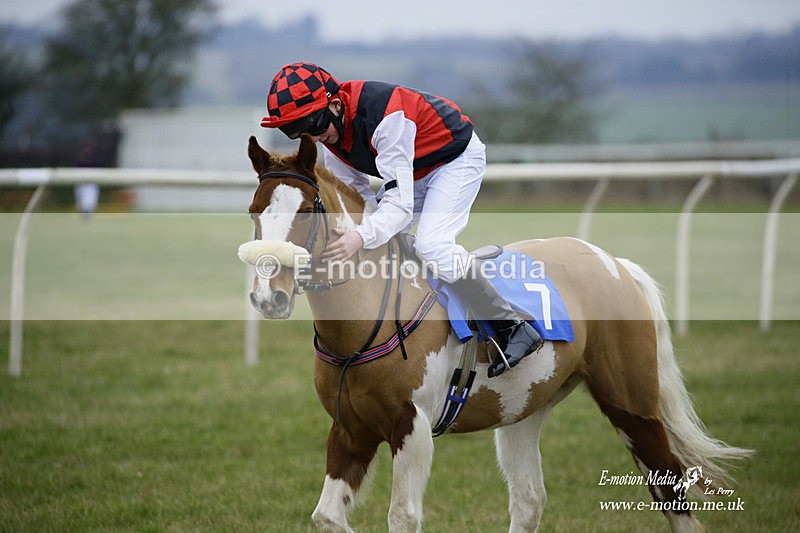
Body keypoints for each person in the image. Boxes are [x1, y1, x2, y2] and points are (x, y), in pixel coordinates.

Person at [261, 62, 542, 377]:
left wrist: (361, 236)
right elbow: (360, 202)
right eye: (294, 131)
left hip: (455, 161)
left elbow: (399, 207)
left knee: (432, 245)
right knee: (383, 237)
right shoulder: (329, 137)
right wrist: (359, 231)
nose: (310, 137)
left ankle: (512, 327)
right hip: (416, 170)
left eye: (311, 123)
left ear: (336, 105)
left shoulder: (387, 120)